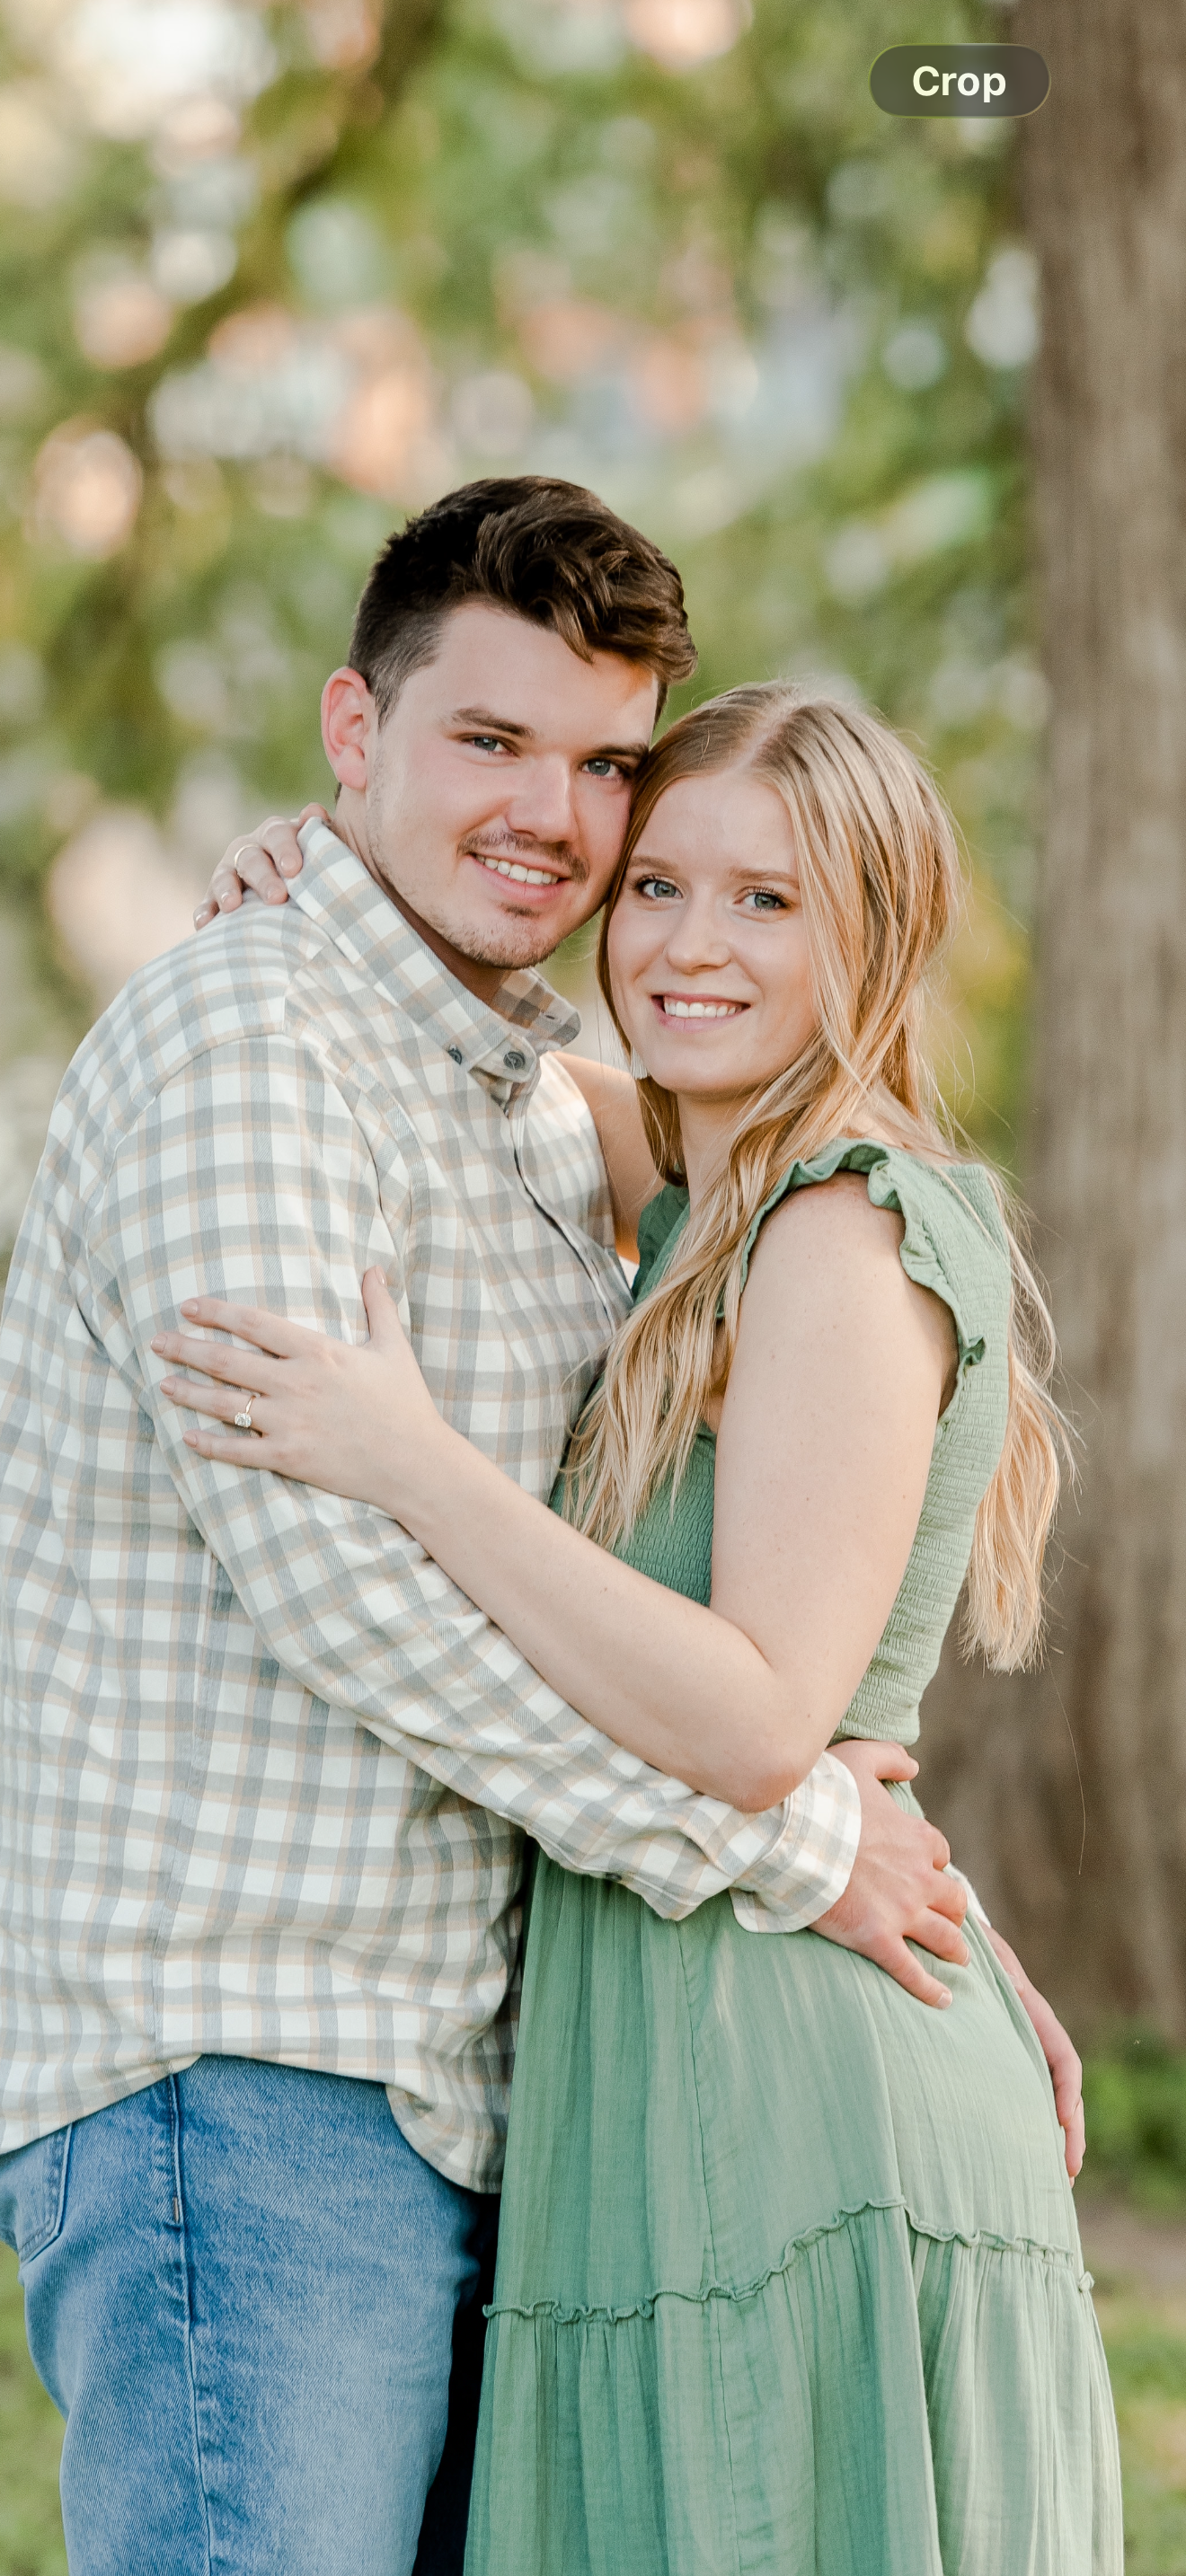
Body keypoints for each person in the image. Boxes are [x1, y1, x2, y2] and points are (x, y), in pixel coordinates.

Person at [0, 479, 1009, 2576]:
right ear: (352, 737)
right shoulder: (251, 1034)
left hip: (510, 2094)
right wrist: (797, 1845)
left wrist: (914, 1898)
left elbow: (717, 1604)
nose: (560, 821)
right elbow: (352, 1600)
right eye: (489, 742)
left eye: (604, 768)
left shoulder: (552, 1122)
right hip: (248, 2063)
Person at [164, 681, 1121, 2573]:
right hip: (683, 2037)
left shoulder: (842, 1227)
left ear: (879, 926)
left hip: (796, 2079)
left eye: (768, 903)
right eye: (662, 883)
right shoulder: (702, 1172)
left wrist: (416, 1462)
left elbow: (766, 1720)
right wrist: (315, 860)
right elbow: (473, 1056)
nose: (690, 945)